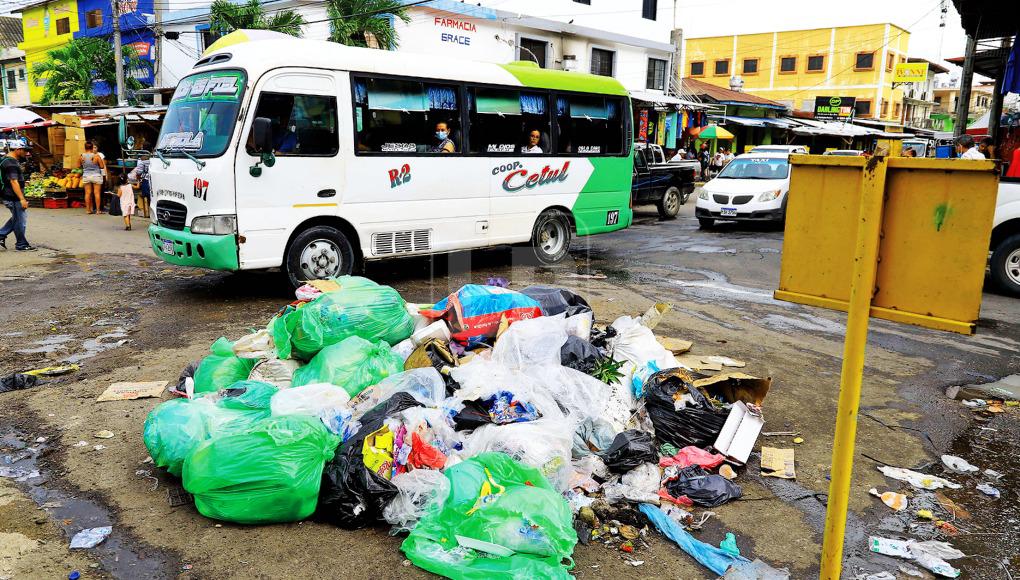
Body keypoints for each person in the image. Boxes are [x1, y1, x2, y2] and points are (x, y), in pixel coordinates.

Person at [0, 142, 35, 251]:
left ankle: (1, 234)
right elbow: (13, 181)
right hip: (13, 196)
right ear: (17, 149)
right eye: (25, 150)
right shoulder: (11, 163)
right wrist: (22, 199)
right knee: (20, 220)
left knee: (17, 218)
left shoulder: (6, 159)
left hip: (9, 194)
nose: (27, 153)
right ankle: (21, 244)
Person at [80, 141, 106, 214]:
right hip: (96, 175)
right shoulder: (96, 156)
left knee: (87, 193)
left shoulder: (82, 156)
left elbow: (78, 165)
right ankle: (98, 210)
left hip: (86, 175)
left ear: (85, 148)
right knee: (97, 193)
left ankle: (88, 210)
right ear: (92, 147)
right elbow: (102, 166)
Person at [129, 153, 151, 219]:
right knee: (151, 197)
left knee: (146, 196)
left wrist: (138, 179)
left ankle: (147, 213)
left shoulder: (142, 162)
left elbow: (138, 173)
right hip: (153, 180)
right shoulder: (153, 160)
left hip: (146, 181)